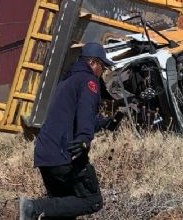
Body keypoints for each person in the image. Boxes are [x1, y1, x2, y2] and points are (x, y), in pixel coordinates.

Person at [19, 43, 123, 220]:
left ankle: (35, 210)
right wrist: (84, 139)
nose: (103, 71)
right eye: (102, 66)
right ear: (92, 63)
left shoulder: (67, 80)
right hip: (65, 153)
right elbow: (84, 113)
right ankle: (32, 208)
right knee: (92, 200)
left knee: (63, 210)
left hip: (46, 154)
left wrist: (106, 123)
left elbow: (73, 116)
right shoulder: (88, 80)